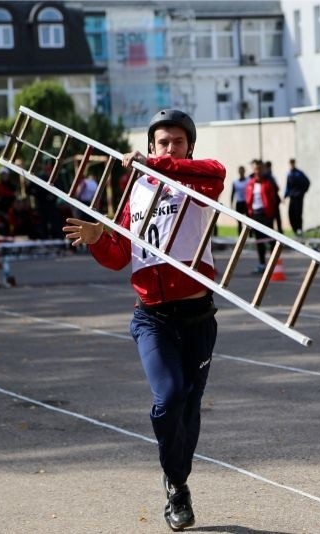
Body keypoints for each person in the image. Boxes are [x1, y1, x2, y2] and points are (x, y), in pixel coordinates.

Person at [62, 109, 224, 531]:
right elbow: (120, 257)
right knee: (169, 398)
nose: (170, 147)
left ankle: (177, 476)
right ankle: (177, 484)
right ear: (150, 145)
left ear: (188, 146)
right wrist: (99, 241)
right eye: (162, 142)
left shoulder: (199, 181)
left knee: (189, 408)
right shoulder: (135, 194)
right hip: (152, 318)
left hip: (198, 316)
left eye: (178, 142)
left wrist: (157, 164)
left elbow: (216, 171)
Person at [246, 159, 278, 274]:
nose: (257, 171)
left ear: (262, 169)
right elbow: (248, 199)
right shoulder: (250, 183)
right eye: (255, 169)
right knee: (259, 241)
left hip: (266, 215)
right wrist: (249, 213)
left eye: (259, 168)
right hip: (255, 214)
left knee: (270, 240)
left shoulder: (267, 183)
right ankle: (261, 264)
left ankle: (274, 263)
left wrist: (271, 214)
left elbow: (273, 199)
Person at [285, 158, 310, 236]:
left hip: (298, 197)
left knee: (298, 213)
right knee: (291, 213)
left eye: (293, 163)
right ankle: (295, 230)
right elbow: (288, 186)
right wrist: (285, 195)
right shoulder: (289, 174)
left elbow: (307, 182)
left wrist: (302, 192)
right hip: (292, 197)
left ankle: (299, 229)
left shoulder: (299, 173)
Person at [263, 161, 284, 234]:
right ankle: (277, 233)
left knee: (275, 218)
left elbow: (277, 188)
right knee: (273, 219)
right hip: (271, 201)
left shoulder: (270, 176)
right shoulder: (268, 176)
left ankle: (278, 233)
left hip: (274, 201)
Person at [230, 165, 248, 233]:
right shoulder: (235, 182)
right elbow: (232, 193)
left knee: (248, 221)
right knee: (239, 221)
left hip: (246, 203)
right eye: (240, 171)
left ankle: (250, 235)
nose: (241, 173)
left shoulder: (248, 181)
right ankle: (239, 234)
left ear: (244, 172)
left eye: (242, 171)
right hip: (239, 203)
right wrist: (231, 204)